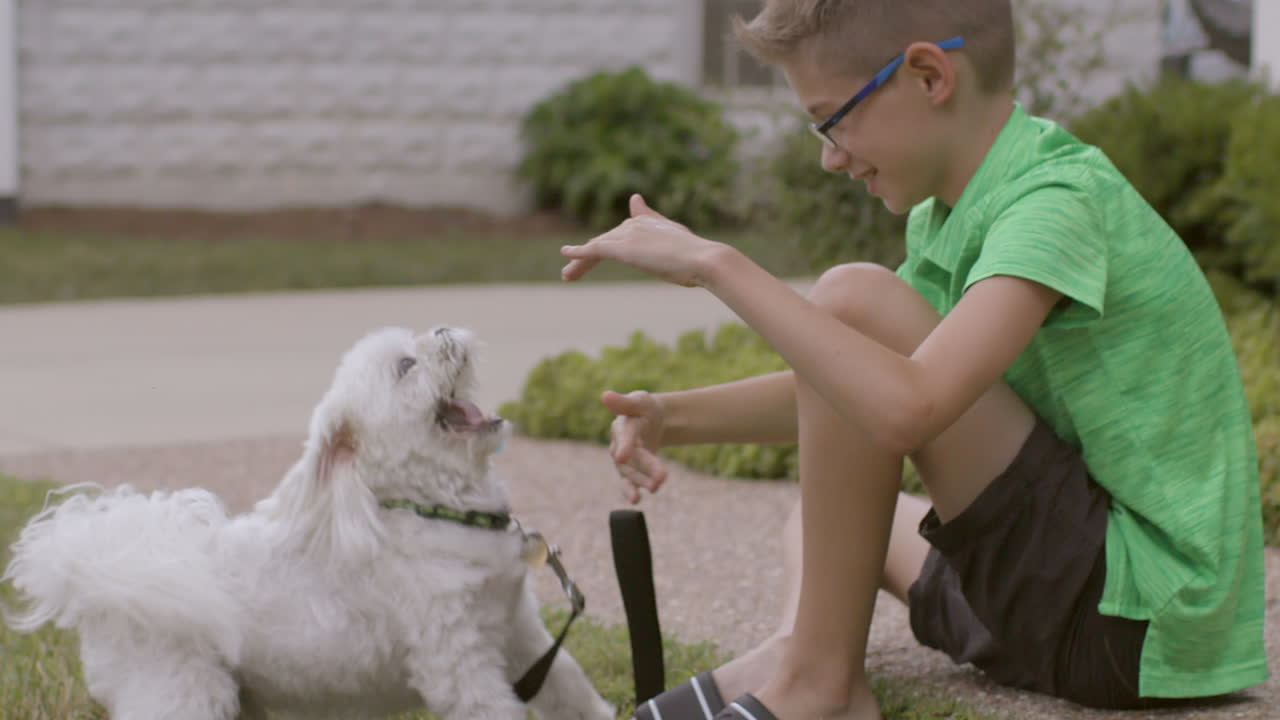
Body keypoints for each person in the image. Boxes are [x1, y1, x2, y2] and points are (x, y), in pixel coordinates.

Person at [558, 1, 1269, 718]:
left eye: (832, 119)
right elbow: (846, 389)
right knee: (823, 522)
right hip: (1062, 605)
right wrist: (668, 417)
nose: (830, 155)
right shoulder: (951, 214)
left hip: (1135, 618)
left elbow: (909, 407)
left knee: (851, 299)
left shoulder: (1056, 202)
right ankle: (794, 652)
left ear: (928, 75)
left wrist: (717, 264)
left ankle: (820, 686)